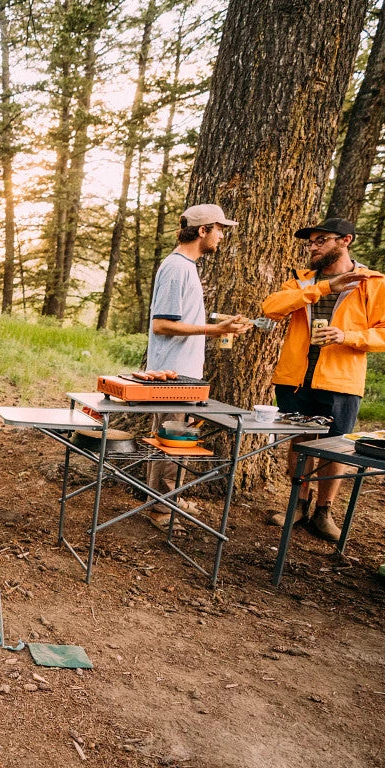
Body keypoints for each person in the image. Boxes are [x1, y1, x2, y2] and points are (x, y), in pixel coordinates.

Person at [262, 217, 385, 540]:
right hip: (296, 379)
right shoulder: (302, 281)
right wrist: (324, 288)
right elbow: (271, 307)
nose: (313, 246)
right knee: (300, 442)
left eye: (321, 240)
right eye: (311, 242)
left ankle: (323, 513)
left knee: (337, 448)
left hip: (341, 381)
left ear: (345, 240)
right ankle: (297, 505)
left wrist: (347, 336)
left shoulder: (375, 283)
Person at [143, 204, 249, 529]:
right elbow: (161, 324)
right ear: (202, 231)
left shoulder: (186, 267)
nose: (221, 235)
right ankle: (161, 510)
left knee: (172, 442)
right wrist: (217, 330)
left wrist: (218, 324)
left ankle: (162, 502)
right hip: (172, 376)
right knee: (173, 443)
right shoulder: (177, 268)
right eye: (219, 229)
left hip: (182, 373)